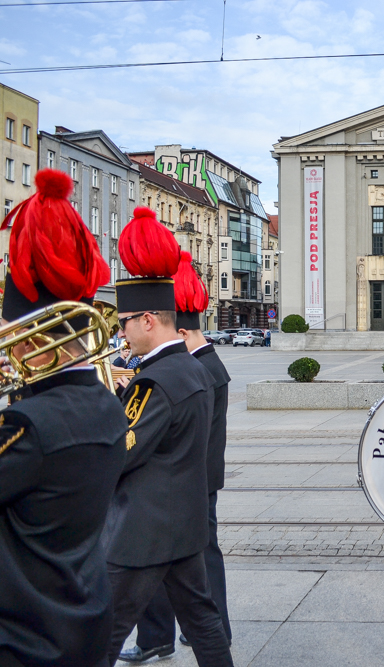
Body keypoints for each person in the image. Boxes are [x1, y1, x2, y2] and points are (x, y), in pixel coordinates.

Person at [0, 169, 128, 667]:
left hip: (25, 636)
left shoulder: (30, 425)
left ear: (34, 338)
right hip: (82, 617)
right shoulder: (103, 404)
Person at [104, 208, 233, 667]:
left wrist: (105, 409)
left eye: (124, 322)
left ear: (147, 321)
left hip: (144, 532)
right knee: (203, 624)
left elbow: (122, 452)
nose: (121, 332)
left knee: (103, 631)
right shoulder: (193, 370)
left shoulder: (153, 381)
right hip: (185, 524)